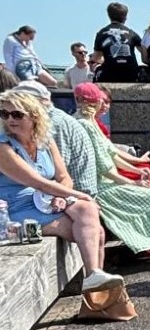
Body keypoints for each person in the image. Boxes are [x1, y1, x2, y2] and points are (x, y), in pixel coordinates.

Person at [0, 90, 122, 291]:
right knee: (96, 232)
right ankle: (96, 291)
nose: (10, 119)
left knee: (88, 211)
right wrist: (76, 195)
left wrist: (61, 194)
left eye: (17, 114)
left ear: (34, 115)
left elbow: (64, 177)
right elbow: (36, 181)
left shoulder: (45, 141)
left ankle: (94, 279)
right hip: (16, 209)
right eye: (4, 114)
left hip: (46, 200)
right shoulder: (3, 147)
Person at [72, 84, 150, 260]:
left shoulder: (87, 121)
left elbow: (109, 154)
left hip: (103, 181)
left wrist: (137, 169)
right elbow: (104, 165)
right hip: (100, 187)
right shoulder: (85, 124)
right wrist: (134, 181)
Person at [94, 3, 144, 82]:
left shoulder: (101, 33)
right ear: (125, 17)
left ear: (109, 15)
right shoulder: (132, 33)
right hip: (131, 73)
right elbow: (143, 51)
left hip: (109, 73)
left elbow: (96, 58)